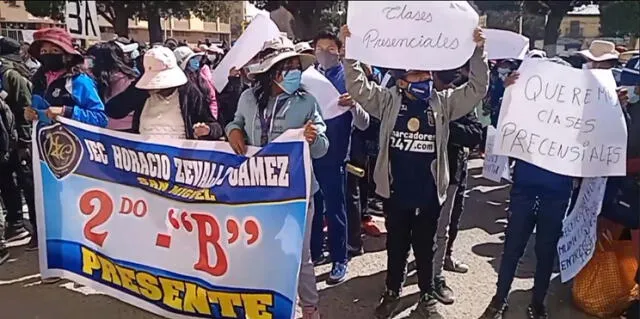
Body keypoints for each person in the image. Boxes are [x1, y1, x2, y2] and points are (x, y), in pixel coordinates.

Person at [342, 24, 488, 318]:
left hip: (429, 193)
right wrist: (350, 53)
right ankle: (392, 292)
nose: (424, 79)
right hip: (395, 192)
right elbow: (358, 87)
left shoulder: (443, 103)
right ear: (402, 81)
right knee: (396, 247)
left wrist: (478, 51)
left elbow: (477, 89)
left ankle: (426, 297)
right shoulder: (387, 101)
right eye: (416, 75)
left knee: (426, 248)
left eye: (427, 74)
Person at [225, 35, 327, 319]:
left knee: (299, 255)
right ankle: (267, 304)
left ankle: (309, 307)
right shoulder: (247, 98)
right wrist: (232, 131)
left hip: (298, 190)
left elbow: (322, 149)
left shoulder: (307, 102)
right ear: (271, 72)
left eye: (297, 66)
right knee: (260, 250)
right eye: (287, 66)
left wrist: (314, 137)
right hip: (257, 189)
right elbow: (237, 123)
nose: (294, 71)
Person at [479, 57, 582, 319]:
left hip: (556, 193)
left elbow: (596, 140)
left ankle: (538, 302)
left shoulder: (577, 115)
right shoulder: (528, 107)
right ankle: (499, 298)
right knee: (513, 247)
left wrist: (617, 109)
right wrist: (510, 90)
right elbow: (504, 122)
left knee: (546, 252)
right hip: (525, 188)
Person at [23, 27, 108, 250]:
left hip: (77, 160)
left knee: (75, 209)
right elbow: (40, 110)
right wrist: (32, 113)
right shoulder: (39, 79)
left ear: (68, 54)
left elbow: (100, 117)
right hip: (46, 157)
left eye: (54, 49)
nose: (48, 54)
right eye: (44, 50)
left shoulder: (80, 81)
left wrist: (67, 112)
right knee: (51, 206)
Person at [309, 30, 370, 284]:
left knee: (336, 210)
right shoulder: (306, 78)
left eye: (330, 48)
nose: (324, 53)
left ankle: (339, 259)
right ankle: (314, 252)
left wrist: (354, 105)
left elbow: (365, 123)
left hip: (335, 157)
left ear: (339, 51)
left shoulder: (349, 78)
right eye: (320, 48)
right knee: (313, 208)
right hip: (310, 154)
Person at [431, 67, 484, 305]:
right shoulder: (415, 99)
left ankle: (436, 277)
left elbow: (474, 135)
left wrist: (443, 125)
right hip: (418, 175)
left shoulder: (460, 101)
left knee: (443, 229)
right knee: (412, 230)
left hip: (452, 173)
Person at [104, 46, 223, 141]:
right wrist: (140, 94)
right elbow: (113, 110)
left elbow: (216, 126)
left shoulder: (189, 92)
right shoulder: (140, 90)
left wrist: (207, 130)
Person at [0, 37, 33, 243]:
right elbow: (23, 107)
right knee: (12, 181)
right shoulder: (12, 73)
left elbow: (24, 108)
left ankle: (17, 222)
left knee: (15, 181)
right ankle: (17, 223)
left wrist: (24, 141)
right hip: (11, 138)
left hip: (12, 139)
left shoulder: (9, 74)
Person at [86, 41, 139, 132]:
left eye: (90, 61)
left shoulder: (93, 81)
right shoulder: (133, 79)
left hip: (119, 131)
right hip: (128, 130)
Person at [173, 46, 220, 122]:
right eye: (192, 59)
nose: (196, 61)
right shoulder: (180, 87)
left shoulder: (201, 77)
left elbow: (211, 97)